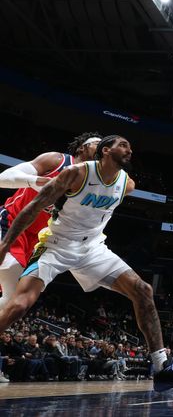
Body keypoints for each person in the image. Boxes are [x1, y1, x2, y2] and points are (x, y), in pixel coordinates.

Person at [0, 135, 173, 392]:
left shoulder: (126, 184)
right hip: (57, 244)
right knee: (18, 304)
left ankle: (162, 368)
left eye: (130, 145)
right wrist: (6, 243)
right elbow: (33, 207)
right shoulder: (74, 172)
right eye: (123, 144)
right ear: (105, 150)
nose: (130, 149)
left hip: (93, 248)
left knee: (143, 290)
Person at [0, 132, 101, 308]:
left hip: (37, 240)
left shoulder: (92, 184)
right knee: (10, 265)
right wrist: (34, 181)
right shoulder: (57, 160)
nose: (103, 149)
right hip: (10, 221)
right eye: (98, 144)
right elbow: (3, 179)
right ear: (82, 147)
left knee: (13, 301)